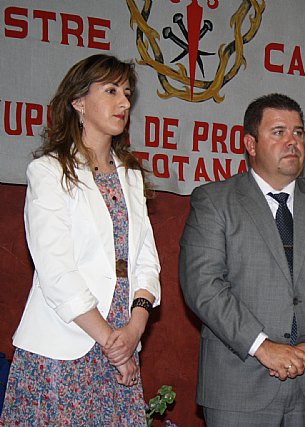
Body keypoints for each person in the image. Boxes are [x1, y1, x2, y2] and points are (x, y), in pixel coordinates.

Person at [0, 54, 161, 426]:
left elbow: (146, 262)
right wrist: (110, 341)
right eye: (111, 91)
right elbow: (56, 270)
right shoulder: (48, 171)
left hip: (122, 343)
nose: (124, 103)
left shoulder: (131, 176)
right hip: (64, 346)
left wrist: (135, 328)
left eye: (127, 93)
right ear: (78, 102)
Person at [179, 93, 305, 426]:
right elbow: (203, 286)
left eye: (298, 133)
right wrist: (263, 346)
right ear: (250, 144)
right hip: (240, 386)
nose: (292, 142)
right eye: (279, 132)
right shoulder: (215, 201)